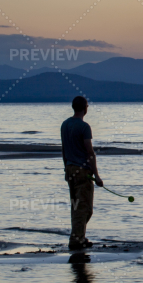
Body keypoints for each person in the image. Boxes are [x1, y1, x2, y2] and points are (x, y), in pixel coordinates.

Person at [60, 96, 104, 250]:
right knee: (85, 209)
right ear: (85, 108)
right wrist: (97, 175)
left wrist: (66, 167)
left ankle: (79, 237)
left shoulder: (65, 124)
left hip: (70, 170)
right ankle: (76, 240)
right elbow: (90, 152)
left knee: (77, 207)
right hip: (82, 172)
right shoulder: (84, 126)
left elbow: (64, 149)